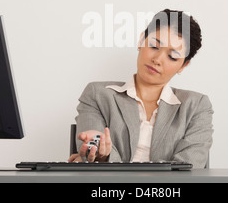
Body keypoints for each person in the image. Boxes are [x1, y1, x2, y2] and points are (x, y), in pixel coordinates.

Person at [68, 9, 214, 168]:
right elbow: (92, 152)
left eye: (172, 56)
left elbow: (188, 168)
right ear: (141, 40)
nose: (157, 60)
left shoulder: (196, 106)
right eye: (153, 46)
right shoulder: (98, 94)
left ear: (183, 65)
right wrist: (102, 156)